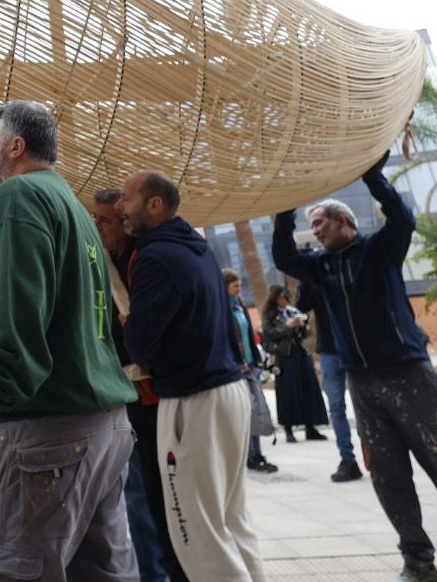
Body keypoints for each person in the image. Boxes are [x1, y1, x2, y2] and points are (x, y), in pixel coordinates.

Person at [272, 154, 437, 582]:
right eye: (314, 225)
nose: (316, 231)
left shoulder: (380, 250)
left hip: (408, 373)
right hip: (363, 381)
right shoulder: (320, 268)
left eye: (321, 223)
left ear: (345, 223)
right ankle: (418, 561)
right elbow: (284, 254)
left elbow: (401, 216)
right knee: (388, 476)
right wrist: (286, 205)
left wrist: (372, 174)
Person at [0, 102, 137, 582]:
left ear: (15, 147)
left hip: (46, 434)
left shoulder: (18, 199)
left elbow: (16, 318)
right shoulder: (74, 210)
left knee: (16, 572)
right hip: (103, 427)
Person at [120, 170, 267, 582]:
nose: (118, 208)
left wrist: (129, 321)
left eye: (127, 200)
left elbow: (139, 345)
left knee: (197, 534)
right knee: (232, 522)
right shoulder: (197, 247)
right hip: (229, 392)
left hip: (193, 401)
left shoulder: (154, 257)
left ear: (155, 205)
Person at [92, 186, 181, 582]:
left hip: (156, 396)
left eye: (106, 220)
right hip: (123, 397)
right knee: (138, 495)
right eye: (95, 220)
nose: (99, 228)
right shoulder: (101, 263)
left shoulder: (145, 261)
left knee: (157, 494)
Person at [296, 282, 362, 482]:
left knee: (365, 405)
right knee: (336, 407)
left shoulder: (347, 270)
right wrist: (305, 279)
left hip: (355, 348)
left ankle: (376, 457)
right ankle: (348, 460)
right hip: (329, 351)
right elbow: (302, 306)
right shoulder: (316, 278)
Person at [225, 270, 278, 475]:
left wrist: (255, 361)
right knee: (244, 414)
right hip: (237, 369)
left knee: (256, 412)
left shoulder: (241, 307)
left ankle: (257, 454)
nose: (239, 290)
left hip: (251, 366)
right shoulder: (222, 310)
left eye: (239, 285)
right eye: (235, 286)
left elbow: (249, 336)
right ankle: (248, 455)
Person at [261, 284, 329, 443]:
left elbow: (306, 333)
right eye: (282, 297)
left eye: (286, 297)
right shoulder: (270, 314)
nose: (285, 300)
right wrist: (287, 326)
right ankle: (289, 428)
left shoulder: (292, 311)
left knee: (308, 389)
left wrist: (301, 324)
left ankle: (310, 427)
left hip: (300, 352)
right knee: (288, 392)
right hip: (284, 356)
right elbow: (269, 334)